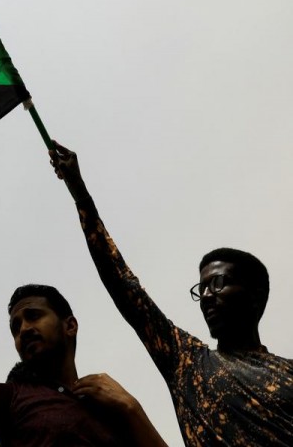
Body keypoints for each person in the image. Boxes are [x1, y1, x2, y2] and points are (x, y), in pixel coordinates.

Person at [49, 141, 293, 446]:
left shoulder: (287, 375)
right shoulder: (188, 365)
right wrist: (80, 194)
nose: (205, 296)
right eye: (201, 289)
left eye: (217, 284)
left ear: (255, 295)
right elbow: (126, 288)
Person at [0, 284, 167, 446]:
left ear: (70, 326)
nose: (24, 329)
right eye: (15, 327)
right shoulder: (4, 397)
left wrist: (131, 408)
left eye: (34, 316)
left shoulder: (108, 404)